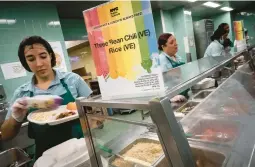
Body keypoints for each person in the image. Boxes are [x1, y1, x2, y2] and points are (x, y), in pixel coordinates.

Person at [0, 36, 92, 159]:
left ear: (50, 56)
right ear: (25, 62)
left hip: (81, 148)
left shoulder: (73, 80)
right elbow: (5, 135)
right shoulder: (22, 93)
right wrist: (15, 118)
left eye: (43, 56)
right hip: (47, 156)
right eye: (31, 59)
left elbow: (95, 112)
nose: (39, 64)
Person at [157, 33, 188, 102]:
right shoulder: (161, 60)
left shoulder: (178, 57)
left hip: (183, 92)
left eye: (175, 41)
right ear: (163, 46)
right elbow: (161, 83)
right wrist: (170, 98)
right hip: (174, 98)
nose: (175, 44)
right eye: (171, 42)